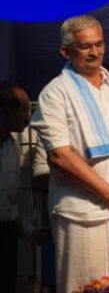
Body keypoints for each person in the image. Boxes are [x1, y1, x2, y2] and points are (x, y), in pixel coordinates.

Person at [30, 15, 109, 293]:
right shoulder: (55, 93)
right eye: (85, 46)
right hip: (84, 215)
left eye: (99, 44)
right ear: (66, 51)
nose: (94, 52)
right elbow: (60, 156)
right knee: (86, 286)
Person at [0, 82, 47, 292]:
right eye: (24, 110)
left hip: (6, 237)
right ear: (6, 110)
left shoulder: (11, 146)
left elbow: (7, 205)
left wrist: (29, 230)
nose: (29, 118)